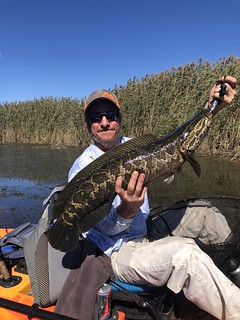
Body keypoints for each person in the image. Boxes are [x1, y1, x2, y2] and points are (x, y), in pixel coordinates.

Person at [58, 76, 239, 320]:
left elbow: (180, 139)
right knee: (185, 254)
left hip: (145, 229)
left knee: (208, 213)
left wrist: (212, 106)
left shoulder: (134, 147)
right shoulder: (82, 167)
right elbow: (95, 231)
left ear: (119, 118)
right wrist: (127, 209)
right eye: (95, 117)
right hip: (115, 252)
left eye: (110, 115)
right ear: (87, 124)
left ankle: (228, 279)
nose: (104, 122)